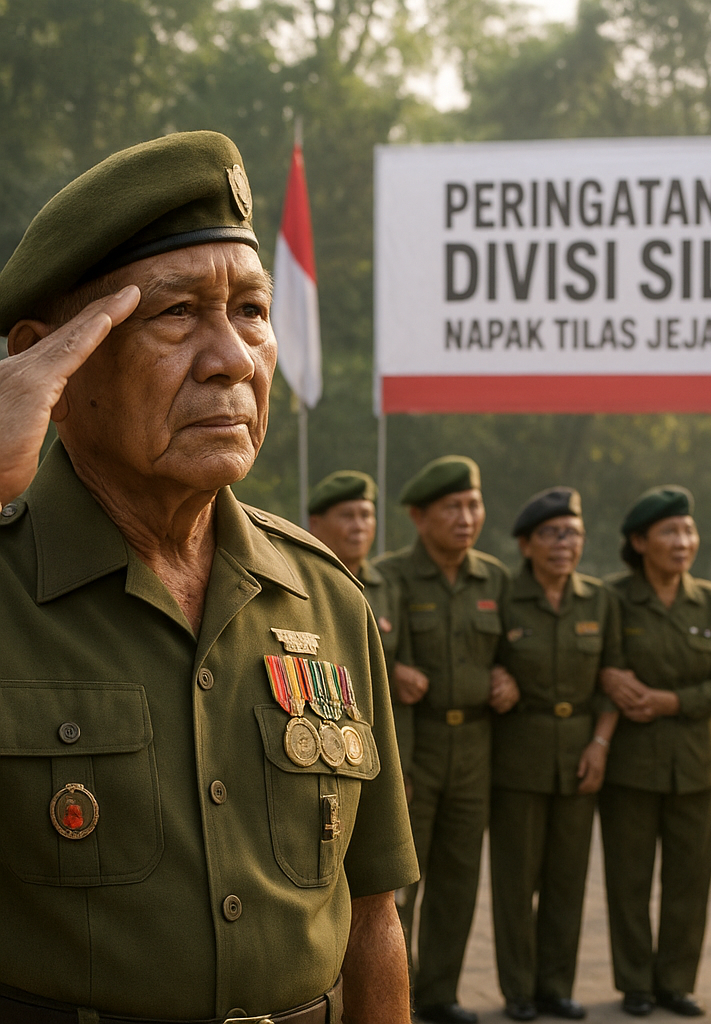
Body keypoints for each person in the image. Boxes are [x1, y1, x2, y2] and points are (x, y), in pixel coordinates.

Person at [0, 131, 418, 1024]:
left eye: (253, 311)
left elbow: (373, 915)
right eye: (177, 313)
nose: (232, 357)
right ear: (51, 363)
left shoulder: (326, 597)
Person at [376, 456, 518, 1024]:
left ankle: (440, 992)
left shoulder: (495, 578)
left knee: (459, 879)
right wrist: (401, 763)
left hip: (475, 750)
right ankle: (394, 994)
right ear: (419, 515)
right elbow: (382, 668)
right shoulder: (394, 577)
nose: (466, 518)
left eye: (473, 505)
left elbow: (511, 655)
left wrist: (508, 678)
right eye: (452, 507)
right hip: (419, 745)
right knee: (401, 882)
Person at [600, 486, 711, 1019]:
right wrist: (611, 678)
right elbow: (604, 663)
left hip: (699, 765)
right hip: (631, 767)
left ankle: (677, 981)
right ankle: (636, 982)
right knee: (629, 880)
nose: (683, 542)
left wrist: (670, 700)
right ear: (640, 542)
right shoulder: (613, 599)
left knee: (689, 880)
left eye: (688, 531)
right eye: (669, 532)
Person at [490, 487, 622, 1022]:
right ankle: (519, 991)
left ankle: (556, 987)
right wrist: (498, 677)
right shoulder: (503, 596)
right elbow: (484, 657)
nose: (563, 543)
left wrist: (600, 744)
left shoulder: (599, 600)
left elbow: (611, 681)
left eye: (572, 534)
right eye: (550, 533)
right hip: (518, 756)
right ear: (526, 544)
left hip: (579, 757)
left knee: (568, 880)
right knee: (517, 883)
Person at [308, 470, 411, 769]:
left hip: (380, 747)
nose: (359, 527)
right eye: (347, 516)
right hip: (320, 746)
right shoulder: (299, 584)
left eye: (366, 515)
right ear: (315, 524)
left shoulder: (388, 587)